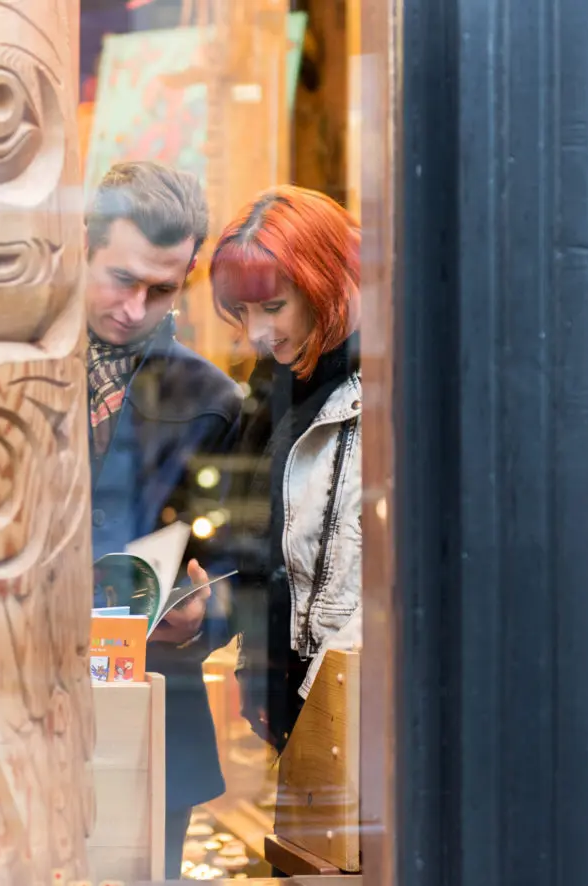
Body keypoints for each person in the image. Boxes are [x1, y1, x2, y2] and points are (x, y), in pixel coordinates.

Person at [84, 160, 244, 877]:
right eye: (122, 279)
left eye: (163, 290)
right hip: (5, 702)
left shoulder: (212, 396)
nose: (135, 307)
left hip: (150, 712)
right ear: (80, 249)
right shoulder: (6, 367)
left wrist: (204, 617)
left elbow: (246, 568)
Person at [210, 185, 363, 754]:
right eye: (243, 311)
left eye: (273, 307)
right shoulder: (275, 385)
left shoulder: (391, 392)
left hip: (353, 708)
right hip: (296, 707)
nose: (255, 331)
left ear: (327, 282)